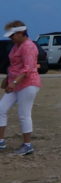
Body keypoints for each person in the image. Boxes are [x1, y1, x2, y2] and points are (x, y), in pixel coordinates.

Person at [0, 21, 41, 156]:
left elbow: (27, 69)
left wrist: (14, 82)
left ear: (21, 33)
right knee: (1, 109)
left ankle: (27, 145)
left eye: (12, 35)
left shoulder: (28, 46)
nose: (10, 38)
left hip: (28, 84)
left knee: (24, 114)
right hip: (16, 83)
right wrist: (7, 79)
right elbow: (13, 66)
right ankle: (1, 141)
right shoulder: (16, 46)